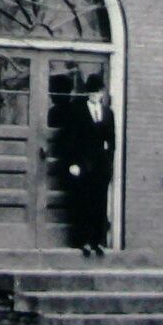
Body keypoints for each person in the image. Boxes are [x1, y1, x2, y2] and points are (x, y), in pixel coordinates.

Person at [67, 73, 115, 256]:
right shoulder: (77, 111)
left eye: (98, 92)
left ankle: (99, 241)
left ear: (102, 93)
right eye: (92, 92)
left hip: (102, 166)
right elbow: (71, 140)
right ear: (88, 93)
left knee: (101, 202)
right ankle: (85, 241)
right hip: (84, 164)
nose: (95, 95)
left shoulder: (108, 113)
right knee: (84, 202)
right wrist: (73, 163)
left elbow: (112, 141)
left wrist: (109, 162)